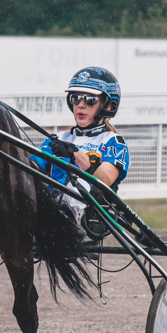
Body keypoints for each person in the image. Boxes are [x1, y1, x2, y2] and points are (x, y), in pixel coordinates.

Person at [30, 66, 130, 229]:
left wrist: (75, 154)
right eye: (76, 98)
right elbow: (31, 168)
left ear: (109, 106)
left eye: (90, 100)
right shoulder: (60, 137)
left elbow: (105, 179)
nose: (80, 105)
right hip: (47, 210)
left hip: (86, 215)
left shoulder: (113, 141)